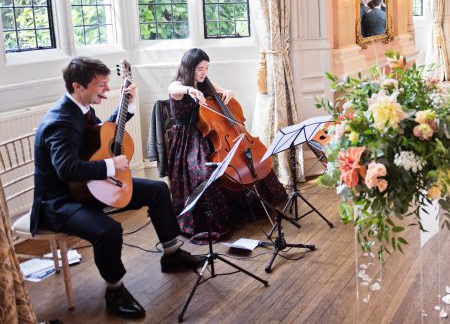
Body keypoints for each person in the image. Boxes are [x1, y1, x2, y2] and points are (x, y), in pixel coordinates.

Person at [31, 57, 203, 319]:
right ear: (78, 86)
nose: (106, 89)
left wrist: (127, 108)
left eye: (107, 83)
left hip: (89, 187)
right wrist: (111, 166)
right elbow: (67, 169)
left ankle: (171, 254)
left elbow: (100, 134)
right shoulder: (61, 121)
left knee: (157, 190)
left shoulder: (82, 108)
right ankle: (115, 290)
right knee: (108, 230)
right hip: (60, 201)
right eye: (100, 84)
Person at [167, 49, 286, 243]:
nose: (204, 73)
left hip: (210, 137)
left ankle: (258, 204)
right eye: (200, 69)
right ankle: (214, 221)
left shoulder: (205, 82)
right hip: (188, 142)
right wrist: (190, 90)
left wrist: (228, 92)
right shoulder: (179, 86)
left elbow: (224, 91)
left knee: (252, 158)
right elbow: (173, 88)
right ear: (189, 68)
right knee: (208, 173)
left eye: (206, 68)